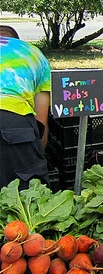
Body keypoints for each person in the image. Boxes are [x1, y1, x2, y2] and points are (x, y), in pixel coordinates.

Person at [0, 24, 52, 189]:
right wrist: (35, 154)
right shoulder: (32, 53)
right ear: (17, 41)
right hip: (13, 121)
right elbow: (40, 121)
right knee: (27, 196)